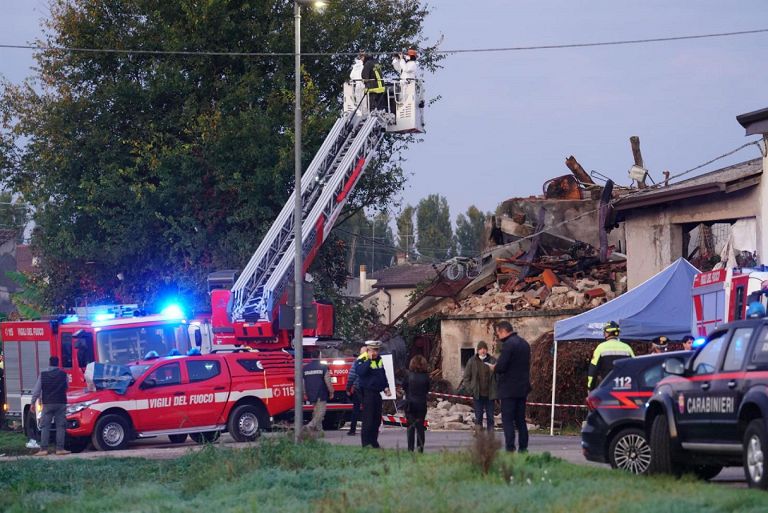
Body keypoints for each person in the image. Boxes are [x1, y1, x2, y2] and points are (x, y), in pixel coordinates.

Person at [491, 321, 531, 453]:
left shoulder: (508, 345)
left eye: (498, 333)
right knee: (521, 420)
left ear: (503, 331)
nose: (498, 336)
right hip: (522, 388)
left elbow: (502, 366)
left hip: (508, 389)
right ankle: (523, 448)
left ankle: (510, 448)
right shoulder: (525, 344)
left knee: (508, 420)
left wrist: (494, 368)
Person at [31, 356, 70, 456]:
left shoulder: (43, 375)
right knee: (60, 426)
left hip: (47, 403)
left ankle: (43, 449)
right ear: (58, 363)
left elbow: (37, 390)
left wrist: (32, 402)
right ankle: (60, 449)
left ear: (49, 363)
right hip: (60, 403)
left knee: (45, 426)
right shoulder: (64, 374)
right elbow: (67, 387)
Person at [356, 340, 391, 448]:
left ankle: (374, 441)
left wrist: (386, 387)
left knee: (376, 419)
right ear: (368, 350)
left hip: (377, 392)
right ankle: (366, 443)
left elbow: (382, 374)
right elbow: (360, 372)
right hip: (367, 392)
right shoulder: (362, 359)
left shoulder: (379, 359)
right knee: (368, 419)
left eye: (377, 350)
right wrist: (369, 360)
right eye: (373, 350)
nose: (376, 352)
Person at [587, 321, 634, 391]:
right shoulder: (627, 348)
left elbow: (592, 371)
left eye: (604, 332)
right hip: (624, 388)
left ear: (607, 333)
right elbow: (635, 368)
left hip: (606, 388)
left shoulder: (600, 348)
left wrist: (590, 388)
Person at [462, 340, 497, 434]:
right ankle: (479, 436)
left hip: (490, 394)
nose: (483, 350)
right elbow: (466, 377)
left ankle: (491, 436)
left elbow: (498, 376)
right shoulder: (472, 361)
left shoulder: (492, 360)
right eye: (481, 349)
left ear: (487, 350)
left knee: (490, 417)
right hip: (477, 394)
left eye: (484, 348)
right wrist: (470, 390)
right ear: (477, 350)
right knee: (479, 416)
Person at [402, 355, 430, 452]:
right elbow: (427, 389)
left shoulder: (408, 376)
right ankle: (420, 448)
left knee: (410, 427)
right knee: (420, 427)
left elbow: (404, 386)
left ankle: (410, 449)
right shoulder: (426, 377)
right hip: (421, 404)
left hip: (410, 404)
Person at [303, 358, 335, 433]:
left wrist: (304, 393)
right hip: (321, 392)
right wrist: (331, 391)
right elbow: (328, 380)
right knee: (321, 412)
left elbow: (303, 381)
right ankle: (310, 425)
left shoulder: (305, 368)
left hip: (310, 393)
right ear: (319, 356)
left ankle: (319, 430)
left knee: (316, 411)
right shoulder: (323, 367)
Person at [346, 345, 367, 436]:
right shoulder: (372, 361)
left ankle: (352, 430)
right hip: (368, 389)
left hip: (358, 388)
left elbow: (351, 376)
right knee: (368, 409)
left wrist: (348, 388)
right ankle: (368, 429)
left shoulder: (357, 362)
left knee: (356, 409)